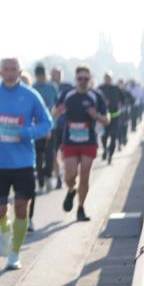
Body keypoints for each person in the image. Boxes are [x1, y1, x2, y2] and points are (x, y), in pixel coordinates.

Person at [0, 59, 52, 269]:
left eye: (13, 69)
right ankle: (5, 230)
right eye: (5, 68)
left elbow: (47, 123)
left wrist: (26, 133)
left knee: (22, 207)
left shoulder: (31, 95)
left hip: (23, 162)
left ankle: (14, 253)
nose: (9, 72)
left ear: (20, 71)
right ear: (0, 71)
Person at [53, 65, 108, 222]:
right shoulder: (67, 94)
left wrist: (96, 115)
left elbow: (106, 119)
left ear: (90, 80)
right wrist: (59, 111)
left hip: (88, 141)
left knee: (84, 175)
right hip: (70, 141)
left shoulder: (96, 95)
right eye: (80, 78)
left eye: (86, 78)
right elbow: (54, 114)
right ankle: (71, 190)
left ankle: (81, 208)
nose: (83, 81)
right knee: (70, 176)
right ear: (75, 79)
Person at [31, 63, 59, 192]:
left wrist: (55, 115)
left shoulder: (51, 87)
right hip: (36, 128)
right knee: (37, 157)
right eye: (38, 76)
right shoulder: (32, 88)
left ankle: (48, 177)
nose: (40, 78)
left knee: (49, 155)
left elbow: (58, 104)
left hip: (50, 126)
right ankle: (40, 182)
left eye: (42, 75)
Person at [50, 67, 73, 189]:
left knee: (66, 154)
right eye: (54, 74)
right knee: (54, 153)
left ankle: (66, 173)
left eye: (58, 74)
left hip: (67, 126)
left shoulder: (68, 87)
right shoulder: (48, 87)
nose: (56, 76)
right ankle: (58, 177)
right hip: (53, 126)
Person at [95, 72, 123, 165]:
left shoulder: (116, 88)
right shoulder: (100, 88)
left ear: (112, 79)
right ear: (104, 79)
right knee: (104, 136)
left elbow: (123, 99)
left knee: (113, 136)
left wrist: (120, 105)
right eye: (106, 78)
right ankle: (104, 150)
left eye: (109, 78)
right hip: (104, 117)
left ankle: (110, 156)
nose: (108, 80)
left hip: (115, 116)